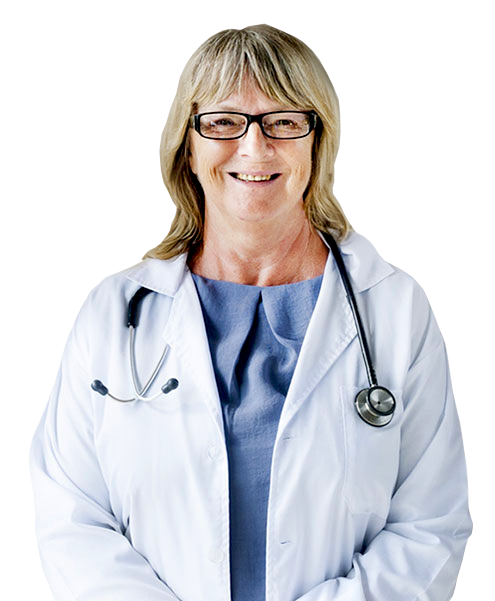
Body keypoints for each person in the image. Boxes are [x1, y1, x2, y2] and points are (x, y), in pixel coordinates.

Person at [29, 25, 472, 601]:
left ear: (318, 141)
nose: (255, 147)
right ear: (188, 147)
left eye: (283, 121)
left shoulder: (393, 308)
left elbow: (429, 527)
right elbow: (73, 520)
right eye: (222, 122)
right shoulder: (113, 316)